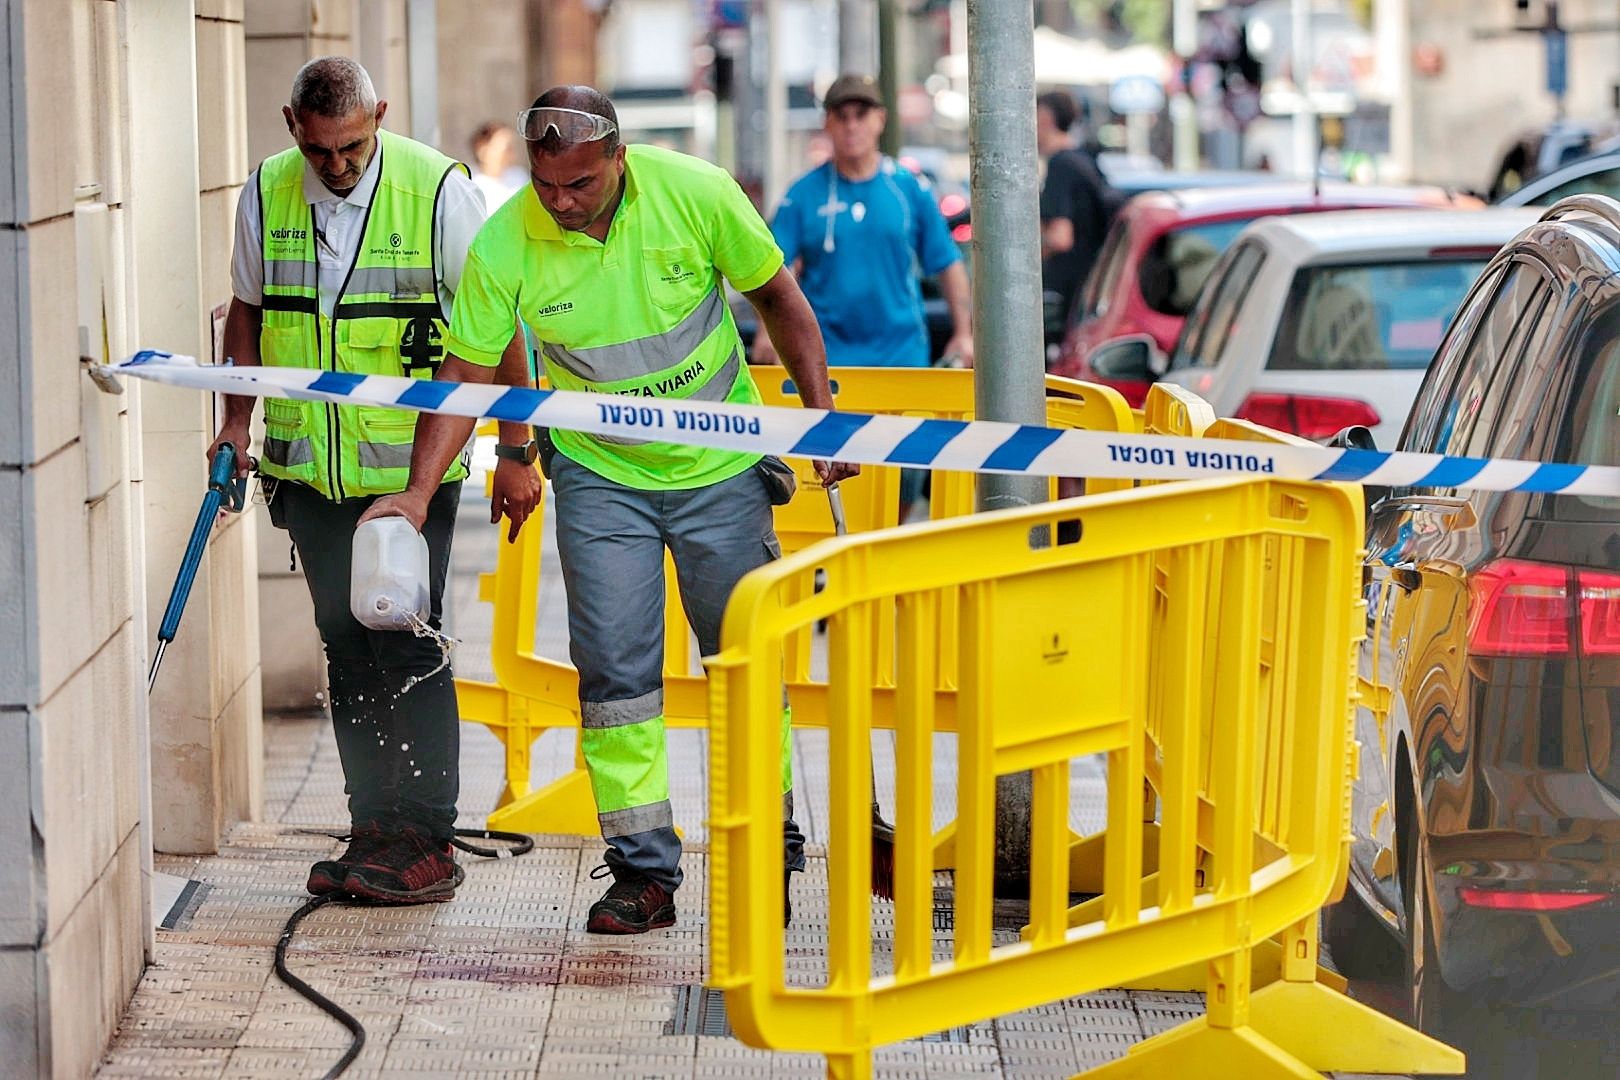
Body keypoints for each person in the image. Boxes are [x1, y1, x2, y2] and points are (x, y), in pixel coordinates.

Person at [359, 86, 858, 935]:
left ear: (618, 157)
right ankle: (643, 873)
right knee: (616, 679)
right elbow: (464, 376)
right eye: (548, 185)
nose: (561, 203)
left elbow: (780, 300)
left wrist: (820, 413)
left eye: (580, 184)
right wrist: (416, 490)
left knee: (745, 661)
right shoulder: (508, 238)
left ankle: (763, 842)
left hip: (720, 467)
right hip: (600, 478)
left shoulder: (695, 192)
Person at [206, 56, 535, 905]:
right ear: (292, 127)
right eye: (322, 151)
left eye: (353, 146)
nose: (339, 166)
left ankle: (425, 838)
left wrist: (518, 448)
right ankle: (373, 829)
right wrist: (237, 426)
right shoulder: (269, 190)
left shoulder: (437, 190)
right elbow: (246, 308)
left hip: (407, 471)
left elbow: (497, 326)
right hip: (310, 471)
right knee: (346, 649)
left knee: (405, 641)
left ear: (379, 115)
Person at [754, 73, 972, 369]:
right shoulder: (802, 195)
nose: (851, 126)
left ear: (880, 119)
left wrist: (964, 333)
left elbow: (947, 262)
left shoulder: (909, 188)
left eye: (861, 115)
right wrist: (768, 332)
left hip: (902, 356)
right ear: (827, 123)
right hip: (826, 358)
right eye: (841, 117)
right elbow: (770, 267)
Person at [1037, 90, 1118, 329]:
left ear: (1046, 120)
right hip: (1089, 290)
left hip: (1069, 295)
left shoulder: (1060, 164)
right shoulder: (1083, 158)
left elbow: (1060, 238)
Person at [470, 121, 527, 209]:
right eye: (507, 149)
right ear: (483, 150)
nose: (512, 154)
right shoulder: (471, 182)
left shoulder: (519, 176)